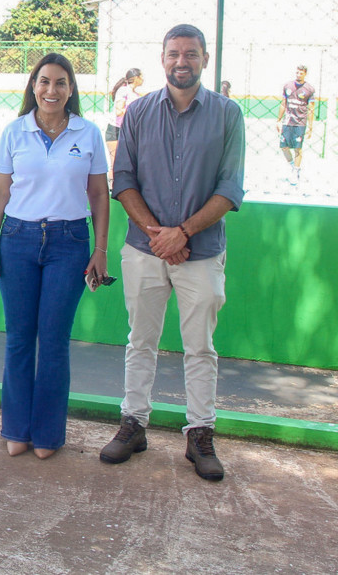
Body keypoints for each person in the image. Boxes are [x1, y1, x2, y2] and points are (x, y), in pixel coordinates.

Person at [101, 24, 245, 481]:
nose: (182, 61)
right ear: (162, 58)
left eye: (191, 54)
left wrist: (182, 233)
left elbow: (230, 188)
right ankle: (133, 424)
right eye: (174, 53)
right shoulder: (139, 111)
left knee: (200, 347)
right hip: (144, 250)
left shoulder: (228, 114)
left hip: (200, 253)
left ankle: (200, 433)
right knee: (140, 340)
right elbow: (123, 179)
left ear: (205, 59)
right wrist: (159, 236)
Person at [0, 53, 110, 460]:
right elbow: (0, 191)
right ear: (33, 87)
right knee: (20, 339)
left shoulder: (87, 134)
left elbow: (98, 195)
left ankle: (48, 434)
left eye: (60, 83)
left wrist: (100, 249)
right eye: (44, 82)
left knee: (54, 341)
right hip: (17, 238)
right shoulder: (14, 132)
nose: (51, 90)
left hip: (69, 242)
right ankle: (16, 428)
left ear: (71, 89)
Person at [275, 65, 315, 185]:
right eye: (297, 72)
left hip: (300, 122)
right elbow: (283, 104)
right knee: (284, 146)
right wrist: (278, 120)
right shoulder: (287, 86)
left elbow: (311, 109)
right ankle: (293, 166)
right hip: (288, 121)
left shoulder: (309, 89)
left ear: (305, 74)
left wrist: (310, 126)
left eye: (301, 73)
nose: (298, 75)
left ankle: (296, 171)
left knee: (298, 148)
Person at [106, 68, 143, 178]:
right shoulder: (124, 91)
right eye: (141, 76)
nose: (143, 79)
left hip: (129, 130)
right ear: (136, 78)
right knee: (114, 163)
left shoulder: (135, 94)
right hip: (116, 129)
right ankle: (112, 185)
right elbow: (119, 111)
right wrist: (132, 111)